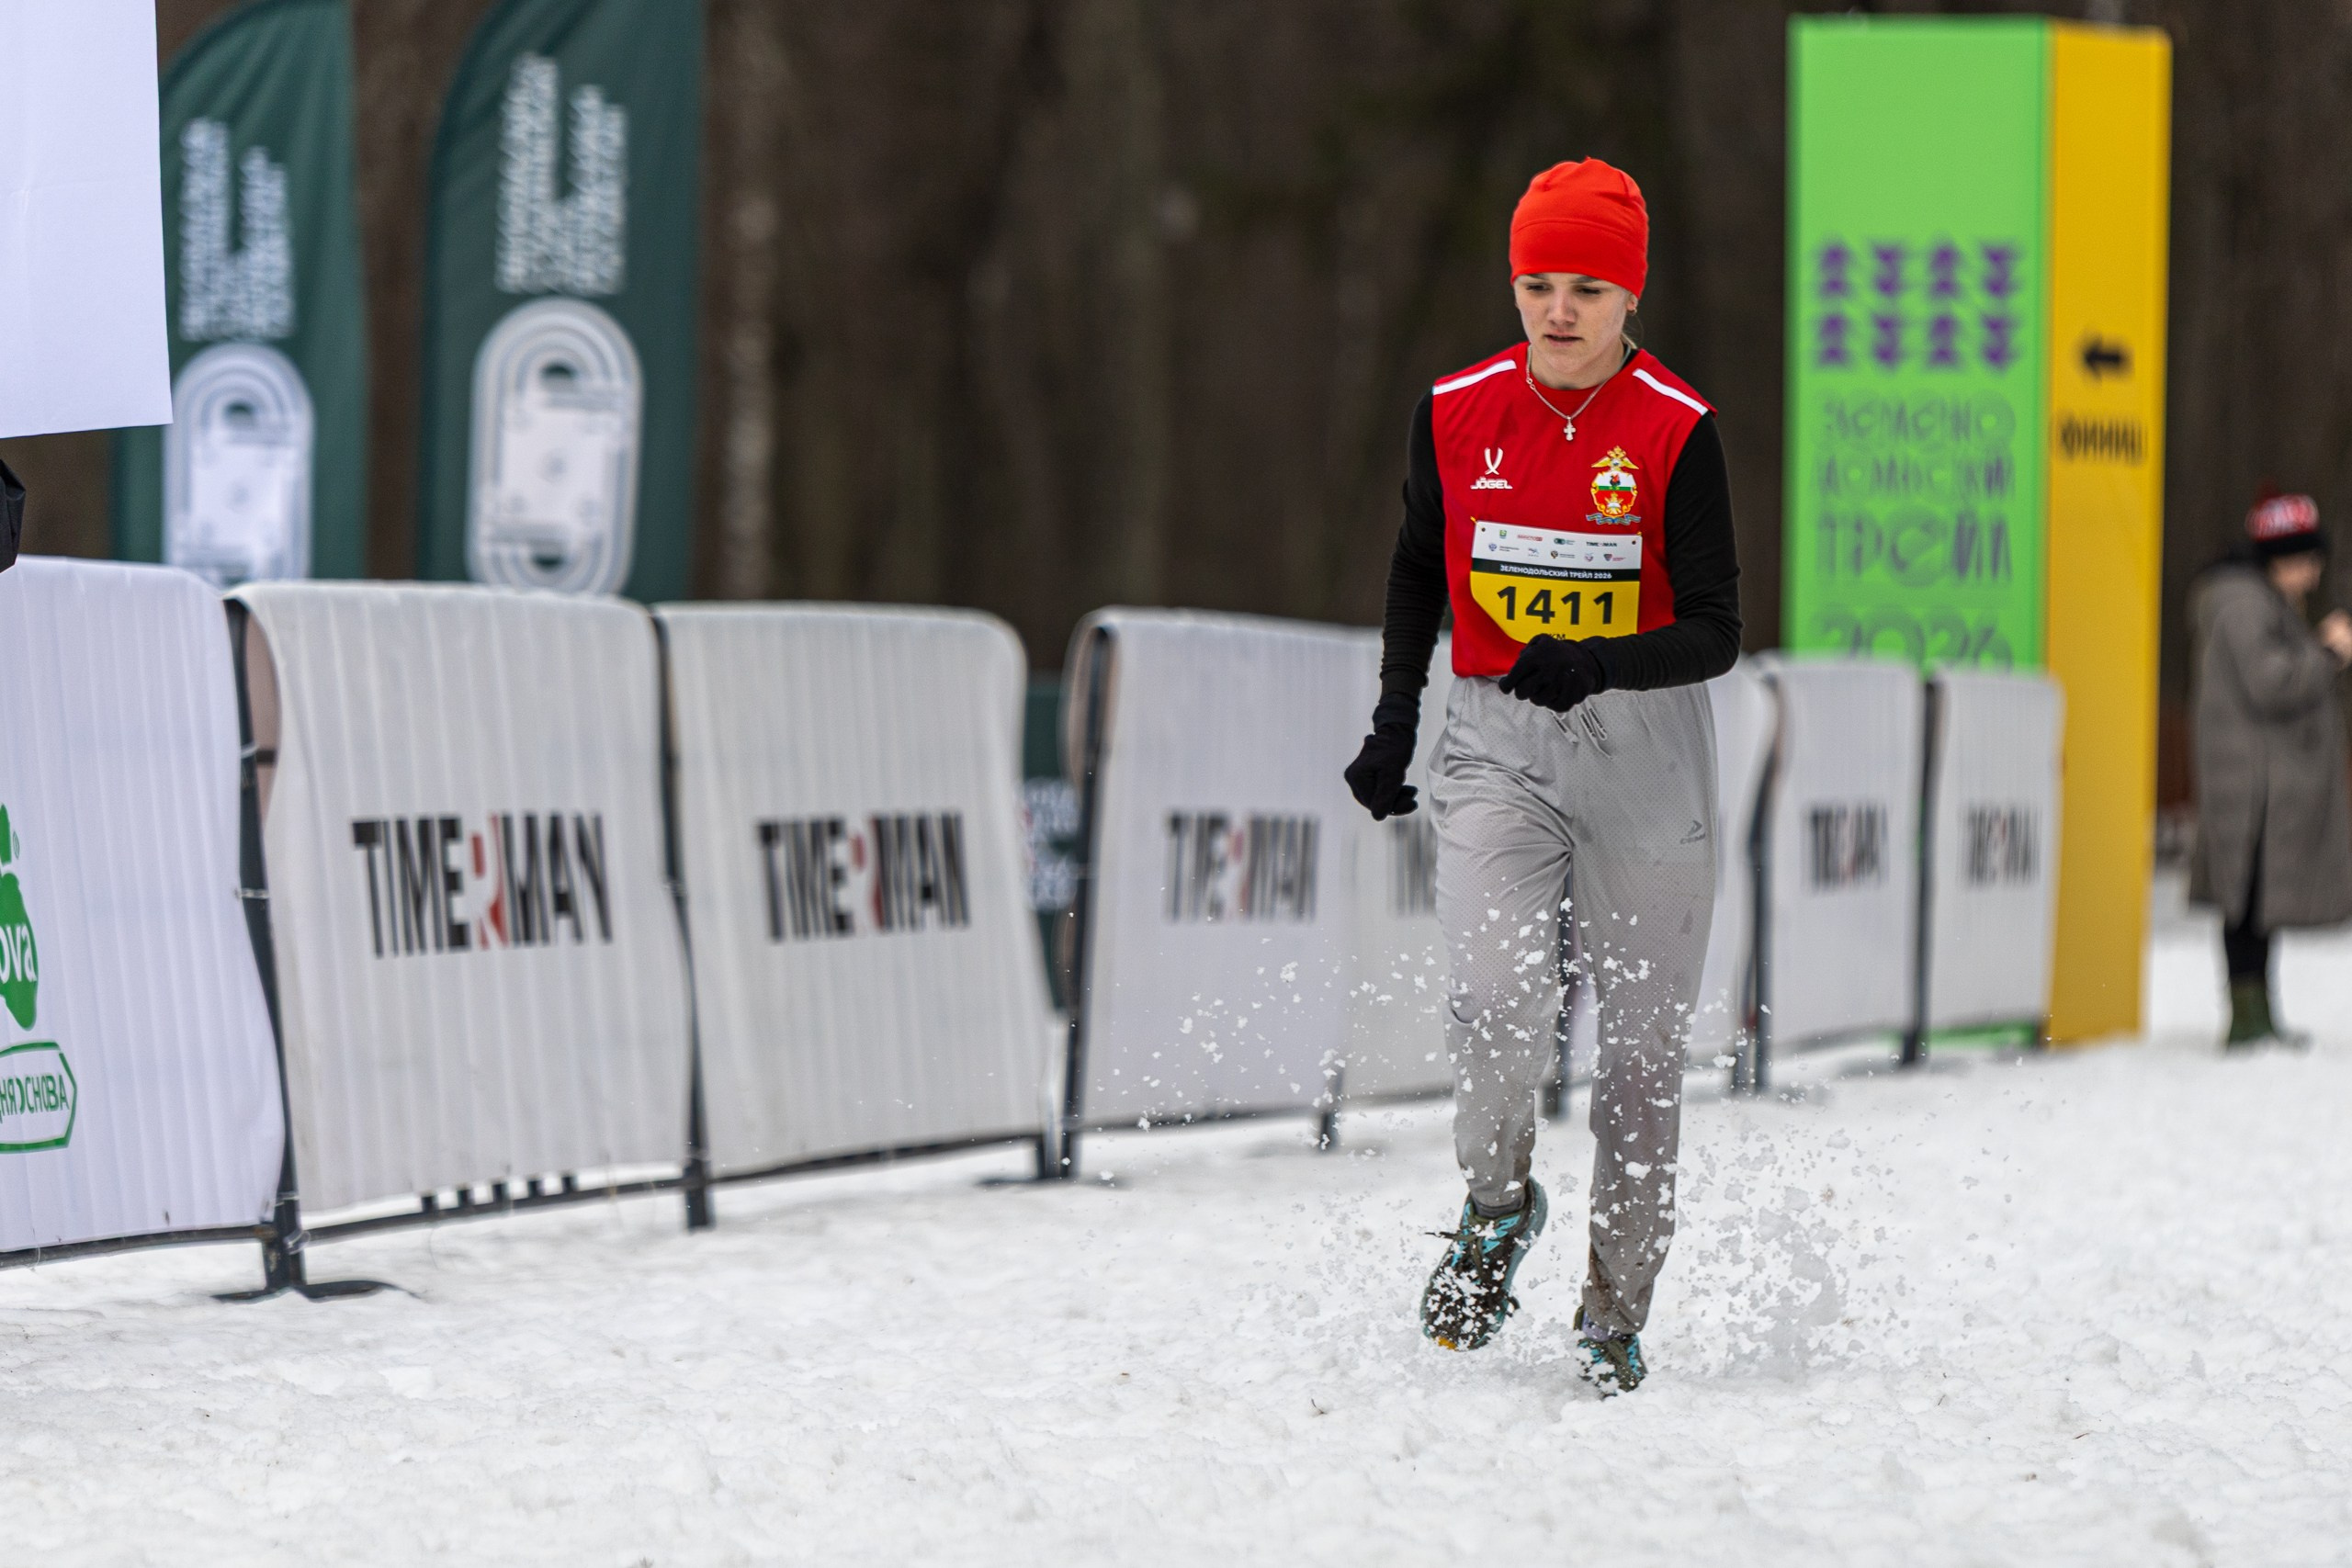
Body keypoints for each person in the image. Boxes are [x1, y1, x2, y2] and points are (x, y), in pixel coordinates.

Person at [1343, 158, 1739, 1393]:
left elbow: (1719, 626)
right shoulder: (1455, 410)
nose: (1557, 310)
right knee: (1495, 999)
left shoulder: (1678, 428)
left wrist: (1605, 660)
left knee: (1636, 1055)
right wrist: (1393, 717)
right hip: (1495, 740)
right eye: (1535, 283)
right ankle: (1497, 1201)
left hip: (1646, 749)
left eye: (1585, 286)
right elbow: (1420, 565)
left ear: (1631, 295)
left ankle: (1615, 1305)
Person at [2188, 491, 2352, 1046]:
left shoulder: (2256, 600)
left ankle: (2258, 1013)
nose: (2313, 572)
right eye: (2308, 560)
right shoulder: (2243, 603)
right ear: (2283, 557)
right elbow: (2272, 682)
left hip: (2258, 783)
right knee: (2247, 900)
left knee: (2259, 901)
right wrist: (2328, 653)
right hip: (2249, 785)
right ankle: (2247, 1019)